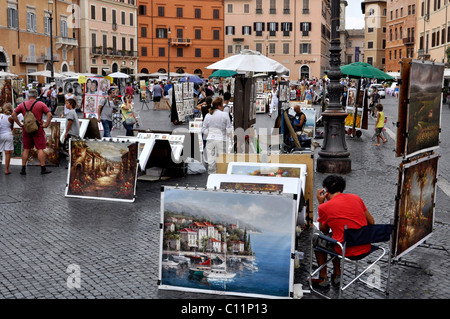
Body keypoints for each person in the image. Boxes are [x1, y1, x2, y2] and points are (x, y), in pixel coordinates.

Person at [312, 175, 375, 289]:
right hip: (365, 246)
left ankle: (323, 277)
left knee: (319, 238)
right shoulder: (356, 198)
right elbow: (371, 222)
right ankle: (337, 274)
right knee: (337, 237)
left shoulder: (324, 207)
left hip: (346, 250)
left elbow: (324, 229)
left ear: (325, 190)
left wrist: (321, 204)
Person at [11, 89, 53, 175]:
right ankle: (43, 168)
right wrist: (46, 124)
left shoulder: (22, 105)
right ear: (36, 95)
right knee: (40, 149)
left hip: (26, 129)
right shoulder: (41, 104)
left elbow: (13, 115)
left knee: (26, 149)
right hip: (38, 129)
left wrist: (20, 124)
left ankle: (23, 169)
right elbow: (50, 114)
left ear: (28, 95)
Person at [201, 97, 232, 174]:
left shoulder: (208, 115)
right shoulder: (225, 115)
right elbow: (229, 130)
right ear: (219, 106)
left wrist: (209, 134)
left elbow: (203, 129)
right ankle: (221, 177)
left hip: (210, 140)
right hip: (222, 140)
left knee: (211, 161)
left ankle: (212, 177)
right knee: (221, 161)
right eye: (222, 105)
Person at [0, 103, 14, 175]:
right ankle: (6, 170)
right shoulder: (11, 118)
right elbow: (11, 128)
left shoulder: (0, 116)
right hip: (8, 135)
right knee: (7, 153)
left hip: (0, 135)